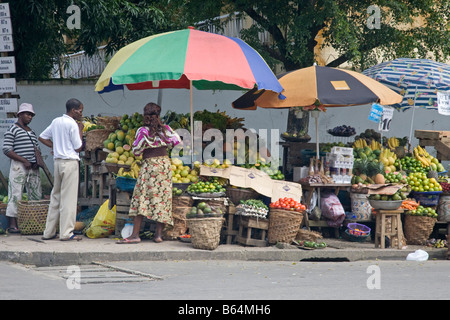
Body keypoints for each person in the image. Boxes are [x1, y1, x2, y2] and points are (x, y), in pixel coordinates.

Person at [117, 102, 181, 244]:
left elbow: (136, 151)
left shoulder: (143, 131)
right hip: (164, 165)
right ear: (159, 115)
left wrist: (148, 146)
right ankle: (158, 235)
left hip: (150, 166)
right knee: (162, 199)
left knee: (142, 198)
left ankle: (135, 235)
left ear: (145, 115)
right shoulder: (167, 129)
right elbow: (178, 142)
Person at [39, 98, 84, 241]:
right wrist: (80, 130)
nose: (81, 114)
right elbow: (78, 147)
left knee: (56, 197)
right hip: (70, 163)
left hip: (58, 162)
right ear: (73, 110)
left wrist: (54, 146)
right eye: (80, 111)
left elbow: (42, 137)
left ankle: (49, 232)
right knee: (68, 200)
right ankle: (66, 233)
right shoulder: (73, 124)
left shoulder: (56, 121)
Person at [2, 103, 42, 233]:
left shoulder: (32, 131)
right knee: (15, 194)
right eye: (27, 114)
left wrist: (36, 161)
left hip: (33, 167)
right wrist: (23, 160)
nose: (29, 117)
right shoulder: (12, 129)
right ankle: (12, 224)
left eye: (31, 115)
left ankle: (32, 222)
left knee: (36, 194)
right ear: (19, 115)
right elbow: (7, 149)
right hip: (19, 165)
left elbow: (37, 148)